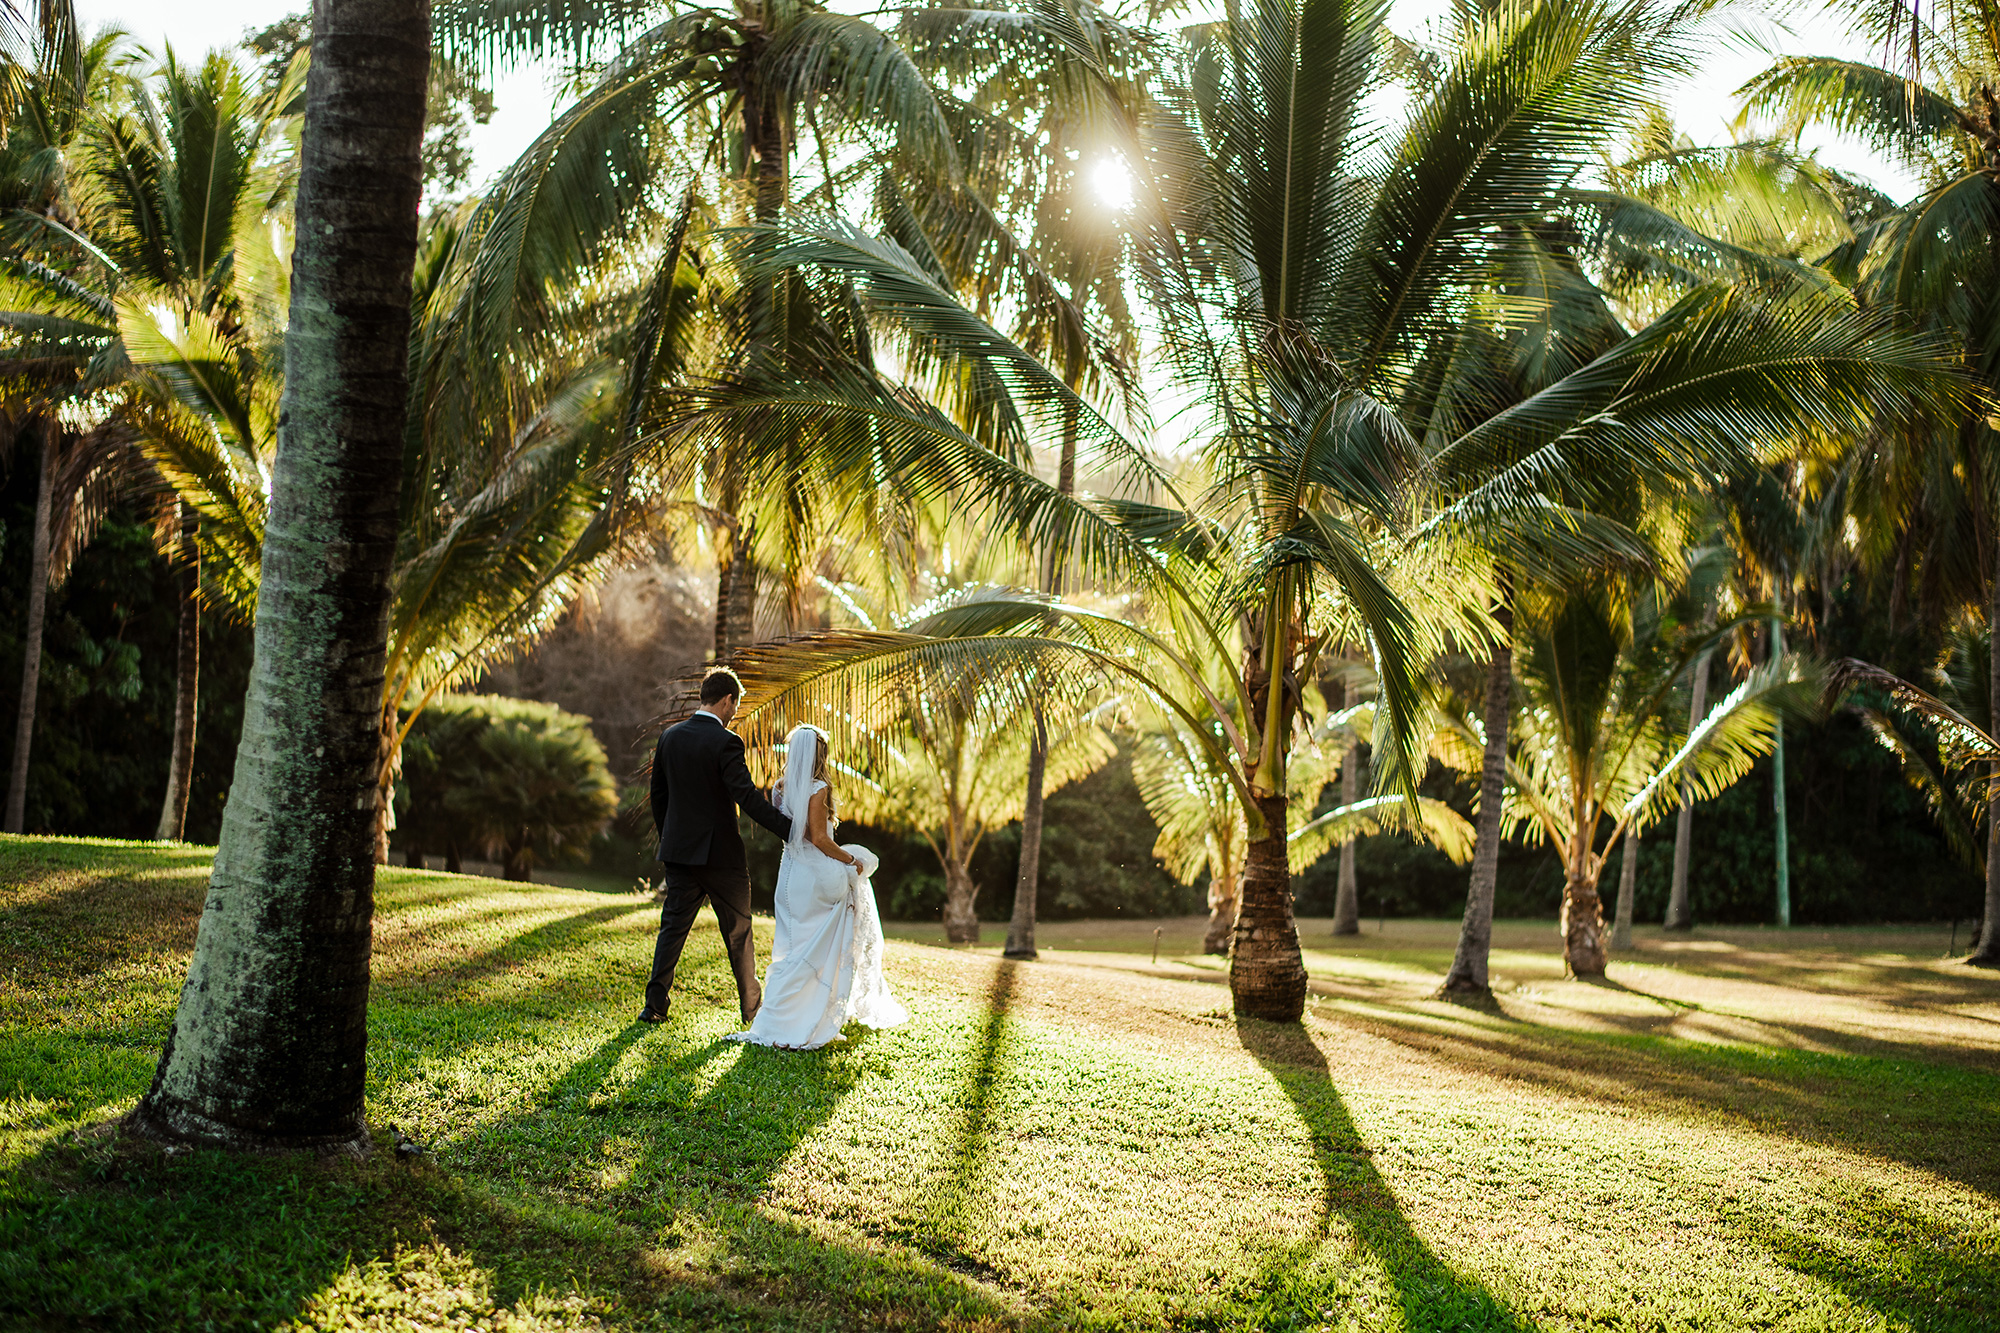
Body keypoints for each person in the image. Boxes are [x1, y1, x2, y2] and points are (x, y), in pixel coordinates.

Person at [727, 723, 908, 1049]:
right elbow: (820, 838)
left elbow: (793, 832)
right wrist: (851, 861)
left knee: (795, 947)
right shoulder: (818, 787)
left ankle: (781, 1017)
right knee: (822, 945)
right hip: (814, 875)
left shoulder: (780, 787)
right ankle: (812, 1017)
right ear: (820, 754)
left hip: (789, 876)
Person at [640, 668, 792, 1024]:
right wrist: (790, 829)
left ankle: (654, 1007)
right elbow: (747, 797)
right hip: (721, 859)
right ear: (727, 700)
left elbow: (658, 798)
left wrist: (671, 840)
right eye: (734, 706)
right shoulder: (726, 741)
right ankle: (752, 1011)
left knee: (672, 930)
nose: (734, 713)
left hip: (679, 853)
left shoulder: (670, 737)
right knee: (739, 932)